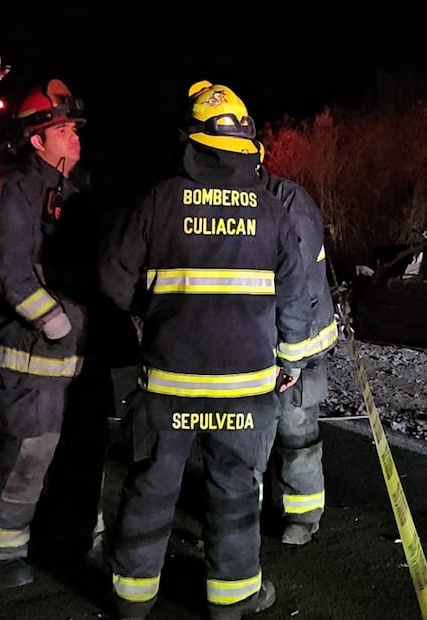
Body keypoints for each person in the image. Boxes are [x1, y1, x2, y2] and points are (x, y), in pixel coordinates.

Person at [99, 80, 313, 620]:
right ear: (247, 143)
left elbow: (113, 278)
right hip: (245, 390)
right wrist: (289, 359)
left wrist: (156, 311)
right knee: (236, 494)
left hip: (169, 385)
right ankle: (231, 599)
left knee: (151, 489)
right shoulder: (270, 210)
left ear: (189, 141)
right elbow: (296, 294)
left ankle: (132, 598)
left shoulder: (158, 201)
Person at [0, 78, 112, 588]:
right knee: (28, 455)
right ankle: (0, 548)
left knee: (82, 454)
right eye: (63, 129)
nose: (75, 136)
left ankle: (77, 539)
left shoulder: (77, 194)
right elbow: (6, 265)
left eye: (75, 128)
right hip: (32, 360)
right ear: (37, 140)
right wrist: (51, 320)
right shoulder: (18, 192)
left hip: (77, 361)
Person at [257, 164, 338, 545]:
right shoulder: (244, 198)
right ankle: (248, 514)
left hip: (299, 342)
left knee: (297, 432)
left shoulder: (288, 201)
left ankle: (303, 516)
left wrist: (292, 354)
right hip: (263, 340)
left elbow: (301, 282)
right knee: (254, 434)